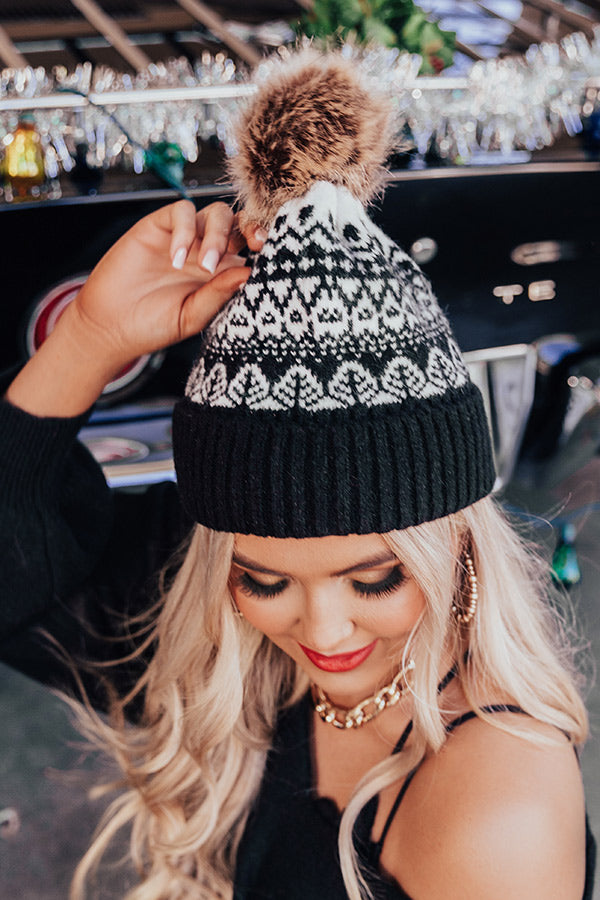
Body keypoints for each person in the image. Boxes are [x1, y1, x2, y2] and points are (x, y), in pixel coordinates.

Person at [0, 49, 595, 900]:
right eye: (265, 580)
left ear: (456, 541)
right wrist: (90, 338)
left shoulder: (499, 808)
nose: (323, 632)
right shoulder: (221, 631)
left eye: (376, 577)